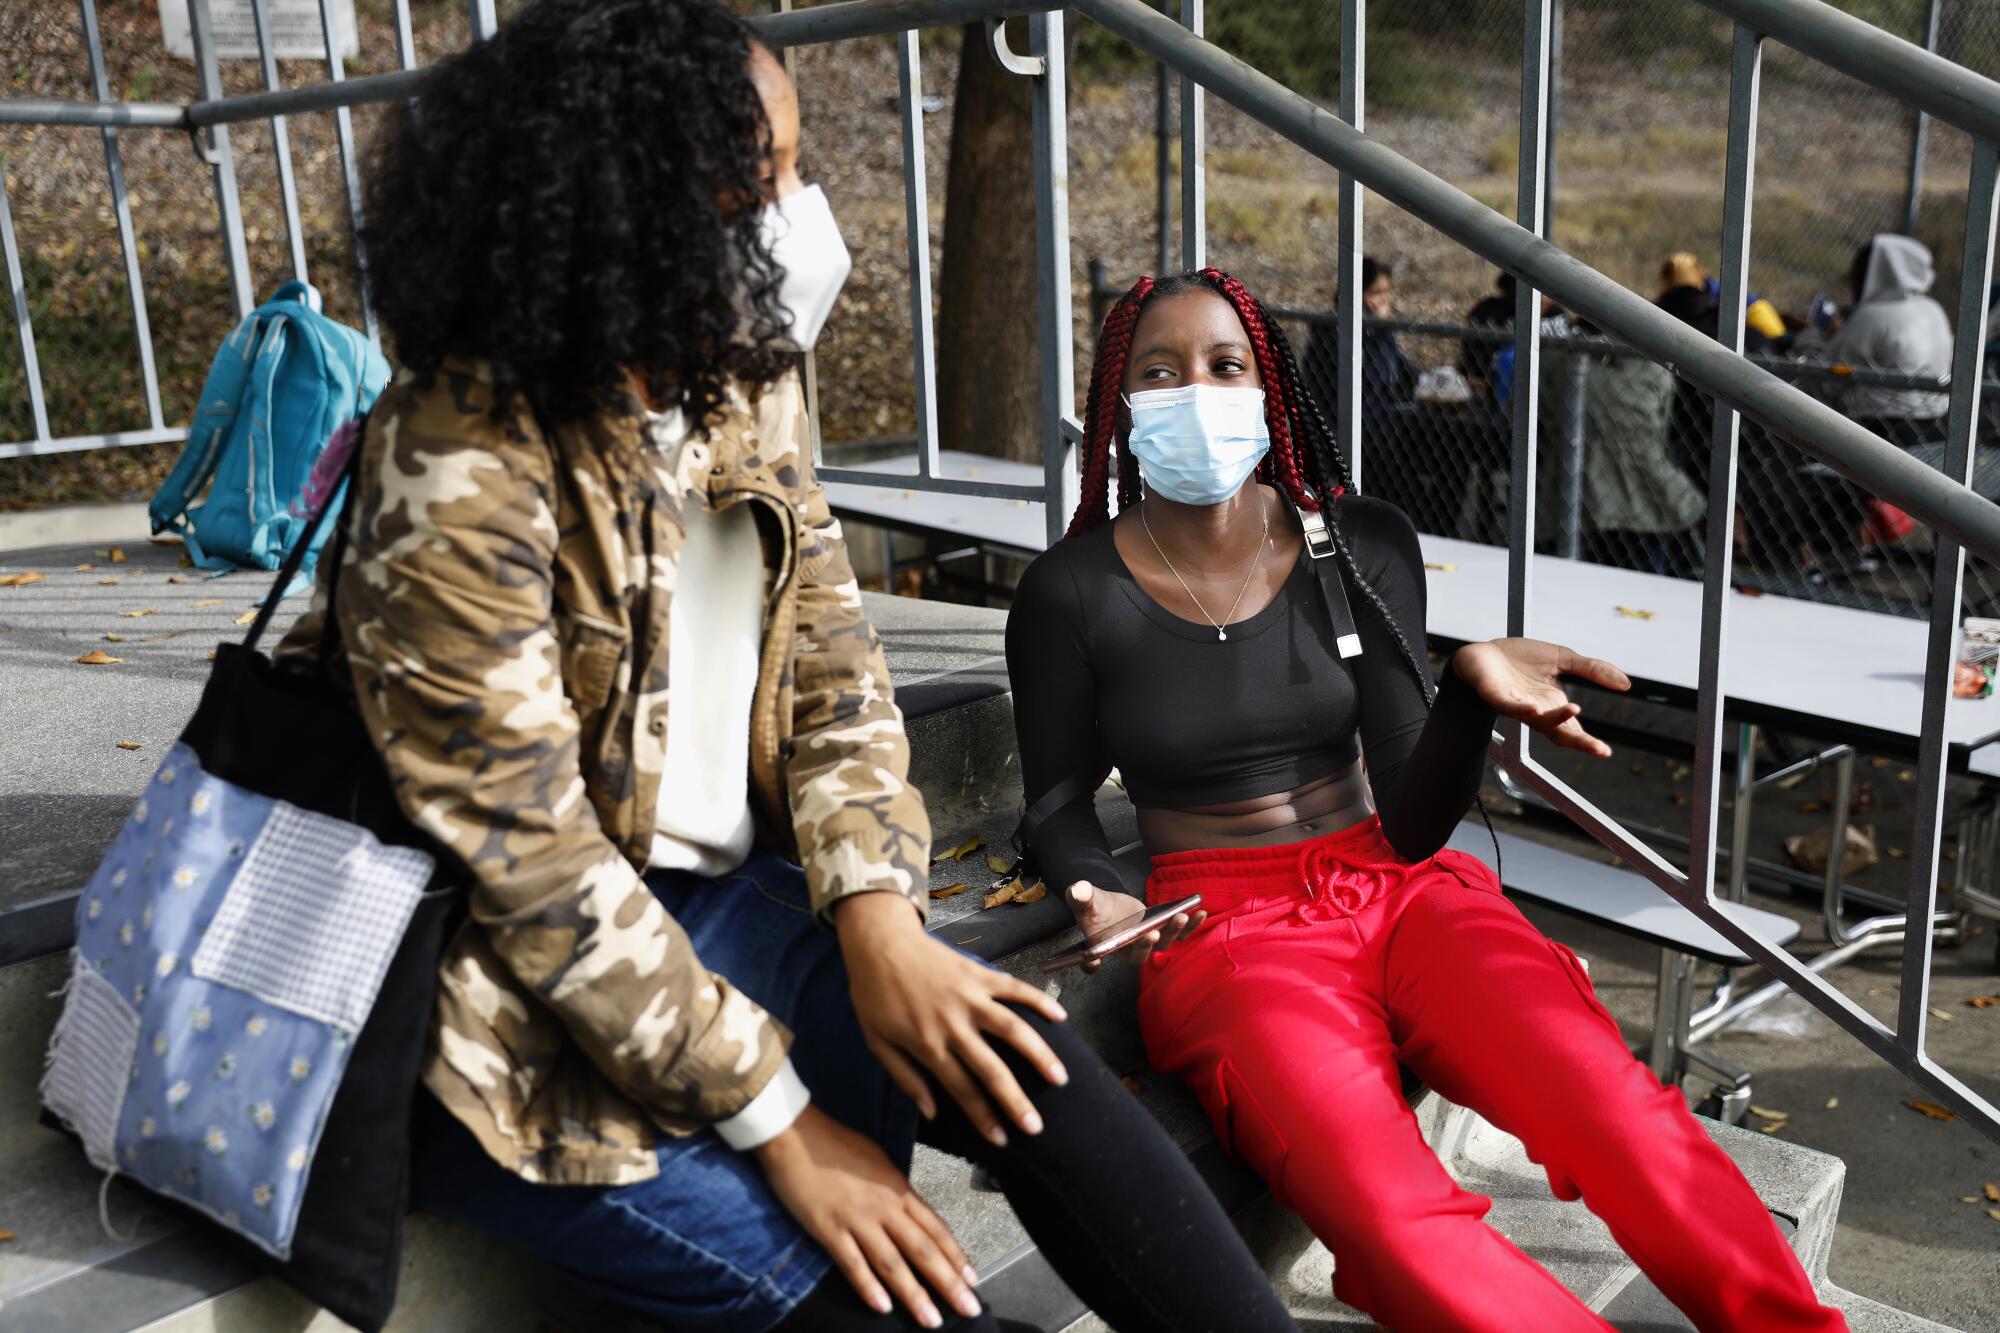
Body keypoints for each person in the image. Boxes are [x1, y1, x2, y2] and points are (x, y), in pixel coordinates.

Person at [274, 5, 1298, 1330]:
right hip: (491, 1007)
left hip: (710, 909)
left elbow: (831, 669)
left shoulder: (736, 374)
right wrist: (784, 1121)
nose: (804, 213)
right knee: (900, 1297)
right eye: (766, 180)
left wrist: (879, 924)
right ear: (621, 204)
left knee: (1023, 1064)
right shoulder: (454, 468)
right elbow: (534, 876)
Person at [1004, 266, 1849, 1332]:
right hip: (1228, 936)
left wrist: (1462, 693)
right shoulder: (1071, 589)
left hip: (1396, 885)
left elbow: (1407, 817)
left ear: (1269, 387)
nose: (1197, 394)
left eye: (1224, 366)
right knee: (1392, 1220)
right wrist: (1093, 888)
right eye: (1159, 373)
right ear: (1119, 405)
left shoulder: (1357, 544)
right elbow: (1056, 801)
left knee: (1617, 1115)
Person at [1576, 314, 1705, 577]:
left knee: (1582, 580)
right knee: (1645, 581)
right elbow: (1662, 429)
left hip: (1579, 490)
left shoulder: (1558, 360)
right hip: (1649, 493)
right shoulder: (1654, 370)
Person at [1815, 234, 1953, 448]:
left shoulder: (1872, 315)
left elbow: (1828, 380)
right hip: (1936, 424)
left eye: (1856, 279)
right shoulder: (1933, 309)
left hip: (1880, 428)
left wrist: (1826, 338)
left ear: (1874, 276)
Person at [1302, 255, 1415, 423]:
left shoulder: (1377, 330)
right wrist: (1381, 328)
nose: (1384, 300)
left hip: (1381, 416)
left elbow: (1401, 370)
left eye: (1386, 292)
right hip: (1349, 419)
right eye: (1376, 293)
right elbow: (1373, 375)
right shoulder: (1333, 328)